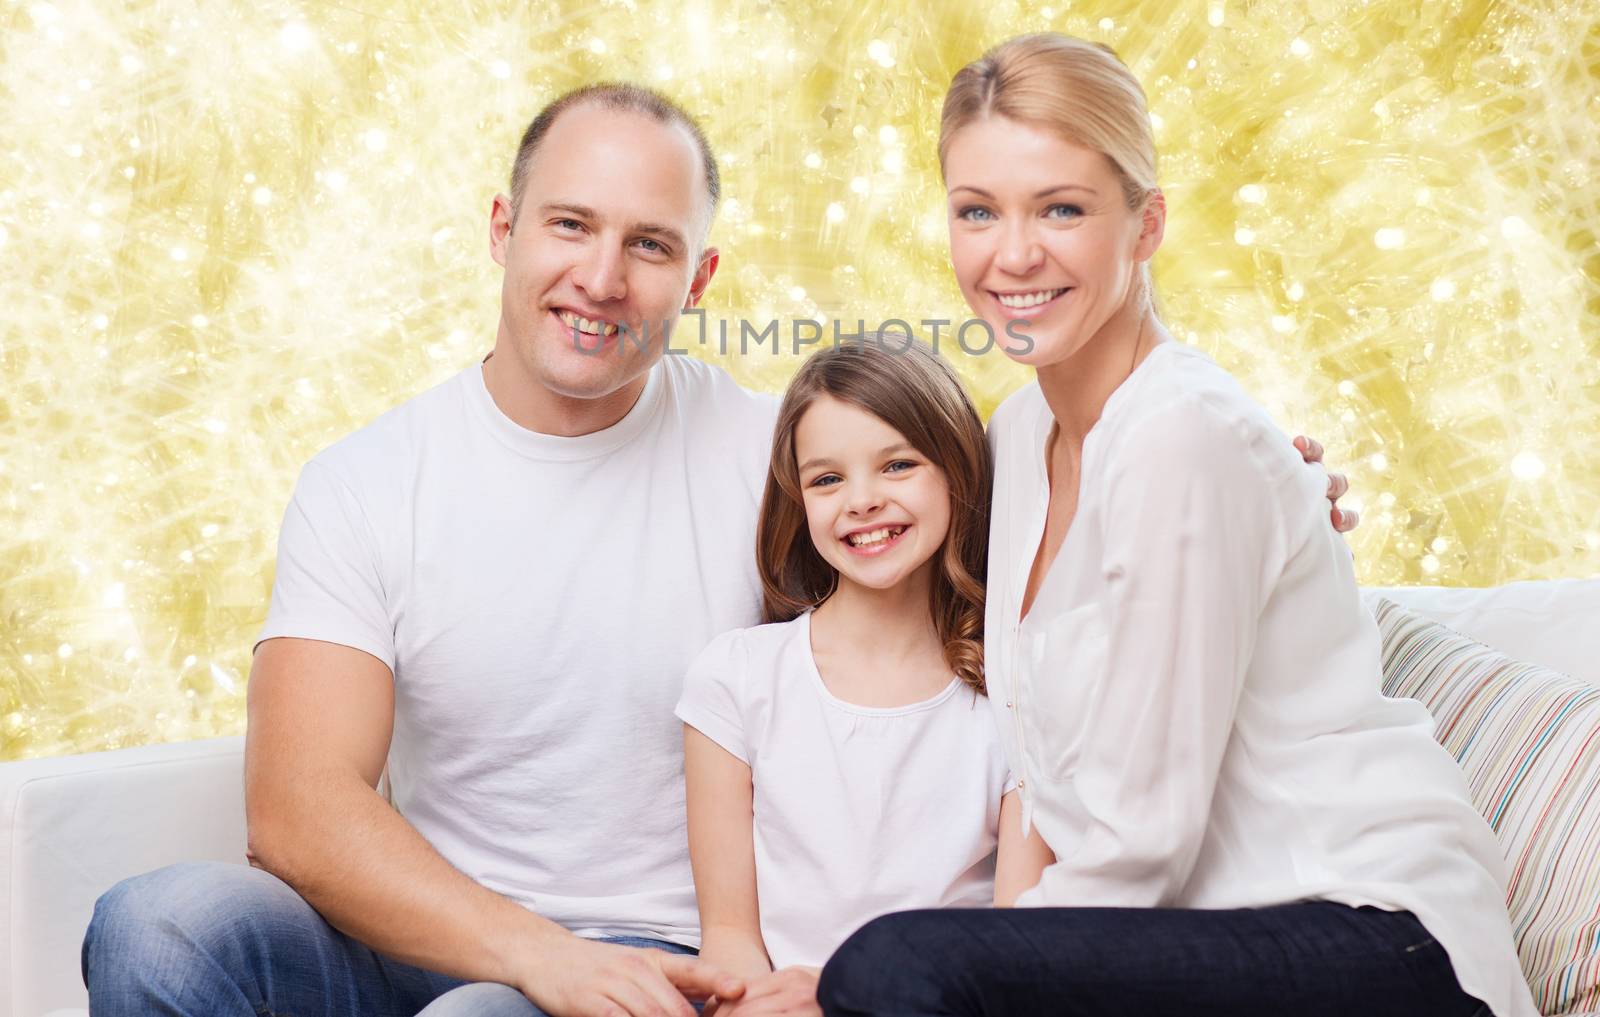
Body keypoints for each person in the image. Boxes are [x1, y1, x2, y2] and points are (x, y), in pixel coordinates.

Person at [83, 77, 1352, 1017]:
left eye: (649, 245)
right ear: (501, 231)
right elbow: (297, 812)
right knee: (161, 924)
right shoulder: (370, 482)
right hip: (434, 933)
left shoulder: (778, 457)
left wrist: (1265, 480)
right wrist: (534, 951)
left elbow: (999, 470)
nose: (600, 276)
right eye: (568, 226)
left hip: (664, 964)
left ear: (699, 279)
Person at [816, 34, 1536, 1017]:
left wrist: (977, 975)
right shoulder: (1018, 438)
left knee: (892, 971)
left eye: (1061, 208)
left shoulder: (1182, 437)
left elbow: (1136, 844)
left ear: (1145, 223)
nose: (1012, 253)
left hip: (1373, 932)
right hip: (1191, 938)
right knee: (909, 970)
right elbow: (1036, 778)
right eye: (977, 211)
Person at [677, 337, 1055, 1016]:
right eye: (827, 478)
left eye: (898, 464)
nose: (862, 500)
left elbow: (1015, 948)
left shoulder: (1015, 692)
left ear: (956, 473)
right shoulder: (736, 679)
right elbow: (729, 941)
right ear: (799, 500)